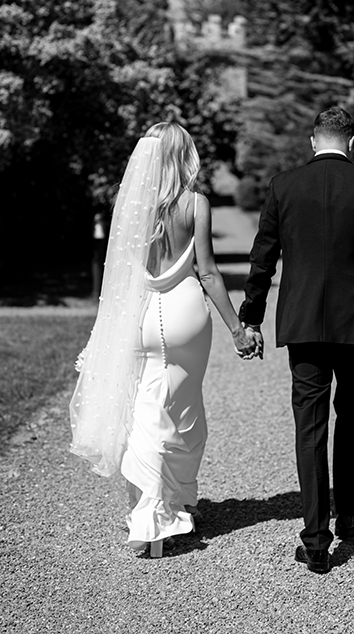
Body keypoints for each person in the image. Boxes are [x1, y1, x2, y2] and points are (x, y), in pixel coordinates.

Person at [70, 122, 256, 557]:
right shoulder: (196, 203)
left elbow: (121, 268)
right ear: (184, 155)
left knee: (145, 409)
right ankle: (160, 513)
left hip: (140, 316)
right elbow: (207, 272)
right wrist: (237, 328)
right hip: (185, 314)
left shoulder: (133, 206)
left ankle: (160, 504)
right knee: (183, 407)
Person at [238, 107, 354, 574]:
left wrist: (250, 318)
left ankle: (316, 540)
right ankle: (349, 516)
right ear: (351, 142)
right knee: (352, 412)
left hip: (304, 323)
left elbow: (262, 260)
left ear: (313, 141)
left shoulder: (283, 185)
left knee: (310, 423)